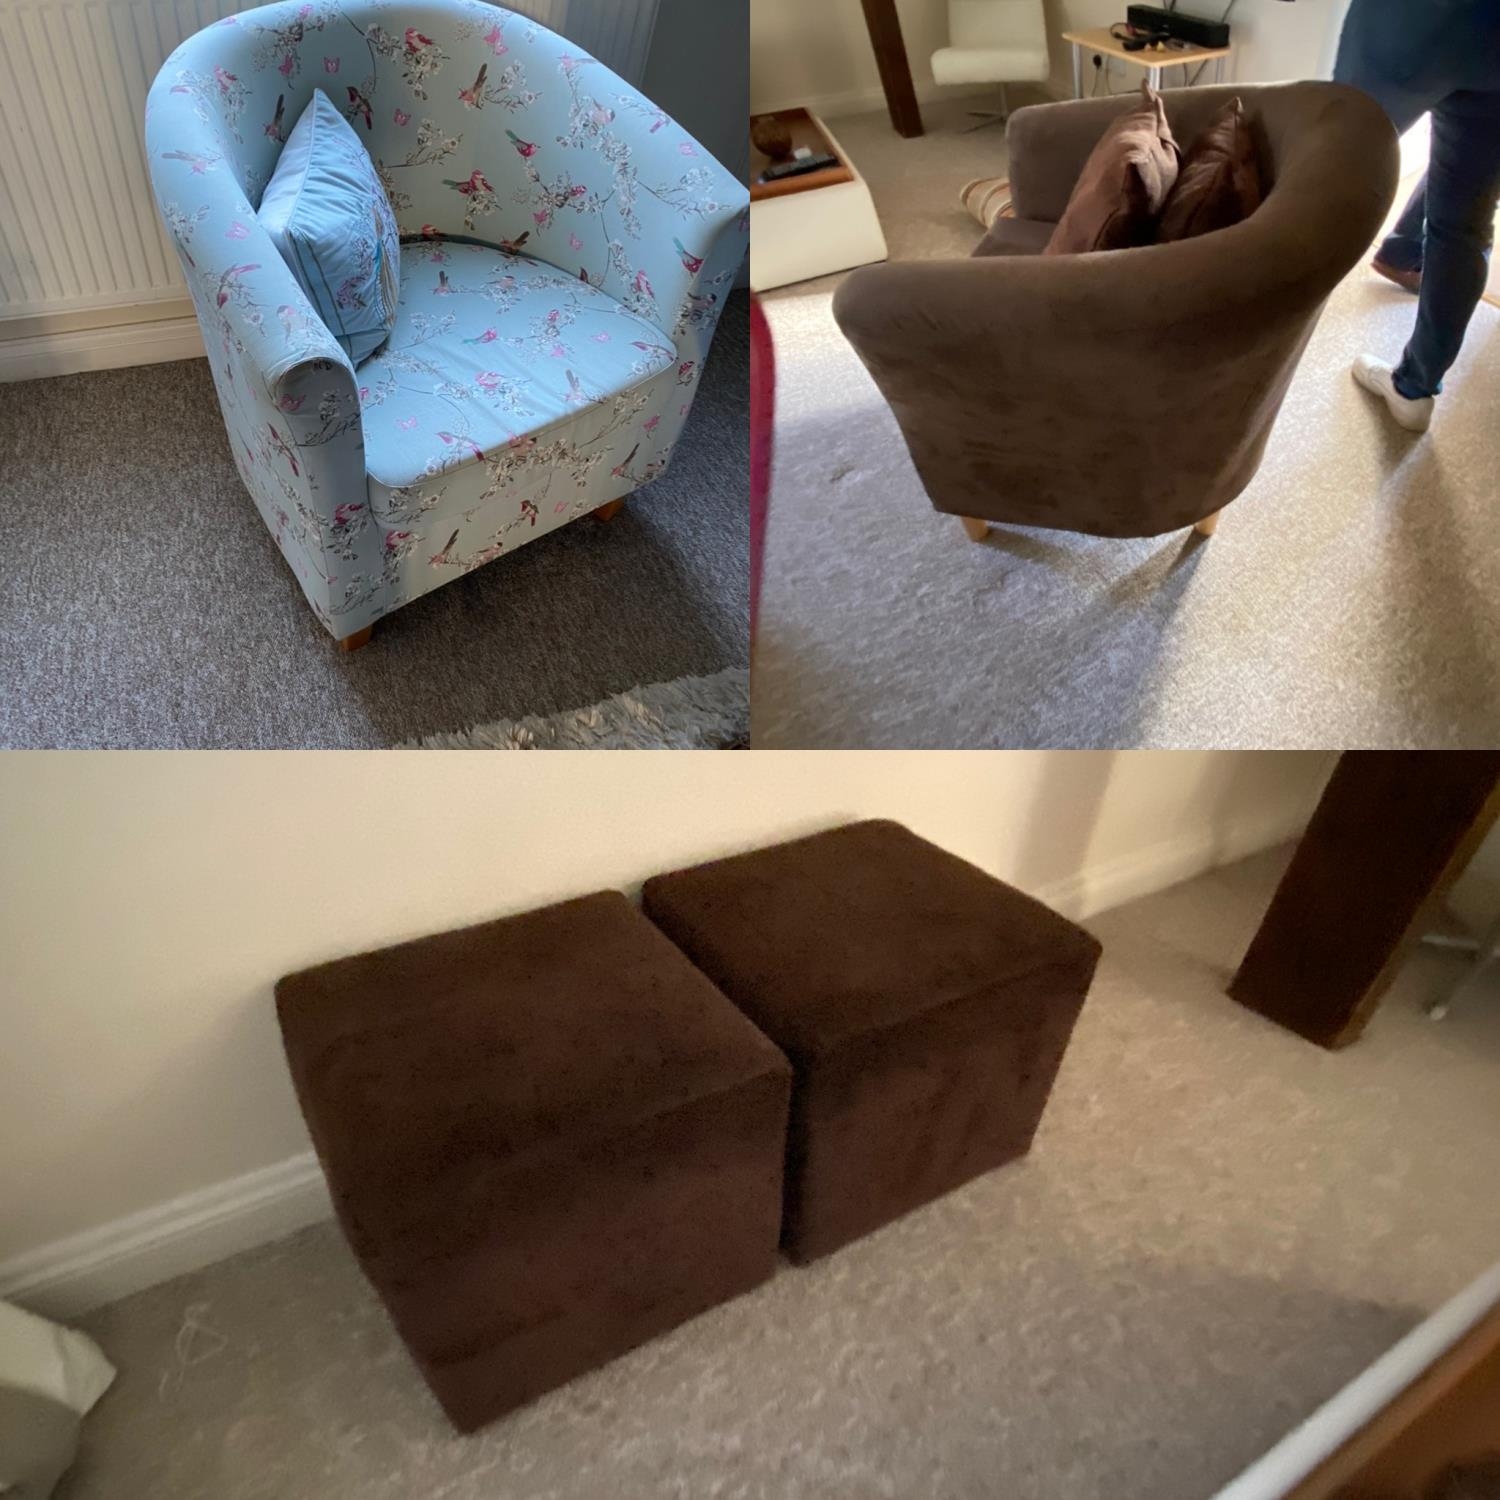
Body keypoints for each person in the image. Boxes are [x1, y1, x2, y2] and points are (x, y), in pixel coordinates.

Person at [1333, 0, 1500, 433]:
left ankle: (1227, 351)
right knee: (1464, 226)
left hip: (1416, 18)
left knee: (1325, 172)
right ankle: (1415, 390)